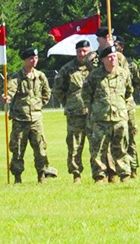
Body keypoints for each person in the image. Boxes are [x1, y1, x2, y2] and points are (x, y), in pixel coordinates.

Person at [4, 46, 58, 183]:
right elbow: (10, 91)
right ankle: (17, 177)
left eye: (36, 58)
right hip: (20, 120)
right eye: (31, 58)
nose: (34, 60)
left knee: (40, 149)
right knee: (17, 150)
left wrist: (38, 105)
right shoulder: (17, 77)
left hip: (36, 119)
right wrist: (7, 98)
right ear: (25, 60)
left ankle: (41, 175)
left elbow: (47, 93)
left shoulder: (40, 76)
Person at [82, 45, 133, 182]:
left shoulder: (123, 73)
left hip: (119, 117)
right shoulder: (95, 75)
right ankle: (100, 175)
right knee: (98, 149)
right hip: (101, 118)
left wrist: (123, 108)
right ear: (103, 60)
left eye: (114, 56)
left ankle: (124, 174)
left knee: (121, 147)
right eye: (109, 57)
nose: (113, 59)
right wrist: (93, 110)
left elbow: (128, 92)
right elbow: (86, 94)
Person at [53, 38, 92, 182]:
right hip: (75, 114)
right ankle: (76, 174)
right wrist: (69, 103)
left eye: (85, 51)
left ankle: (100, 173)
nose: (82, 54)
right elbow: (58, 90)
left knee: (97, 144)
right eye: (80, 51)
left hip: (94, 113)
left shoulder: (96, 67)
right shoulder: (67, 69)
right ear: (76, 52)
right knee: (75, 145)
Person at [115, 39, 140, 178]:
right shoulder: (108, 65)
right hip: (115, 105)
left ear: (122, 47)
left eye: (116, 46)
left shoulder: (131, 65)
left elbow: (139, 83)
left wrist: (130, 93)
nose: (114, 48)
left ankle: (133, 168)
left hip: (128, 105)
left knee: (131, 137)